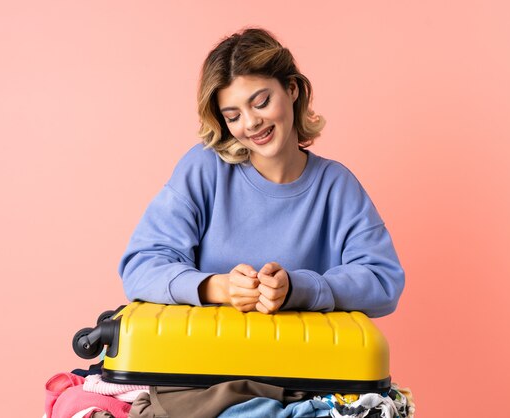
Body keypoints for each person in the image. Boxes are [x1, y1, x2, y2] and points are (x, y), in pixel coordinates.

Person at [119, 28, 404, 317]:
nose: (251, 123)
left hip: (300, 358)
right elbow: (141, 267)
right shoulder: (204, 169)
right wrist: (218, 287)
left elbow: (383, 281)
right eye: (233, 116)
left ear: (292, 89)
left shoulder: (336, 186)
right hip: (204, 357)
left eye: (261, 103)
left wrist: (296, 288)